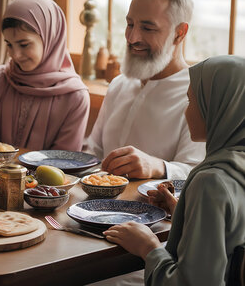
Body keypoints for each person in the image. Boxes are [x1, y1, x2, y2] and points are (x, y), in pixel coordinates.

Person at [103, 55, 245, 285]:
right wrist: (182, 211)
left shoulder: (210, 182)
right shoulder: (236, 168)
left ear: (216, 108)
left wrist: (148, 246)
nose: (186, 112)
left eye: (191, 101)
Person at [84, 0, 205, 179]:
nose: (132, 38)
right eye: (130, 24)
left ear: (179, 33)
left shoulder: (198, 97)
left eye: (148, 28)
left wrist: (158, 167)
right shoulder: (118, 85)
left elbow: (197, 173)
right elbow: (92, 153)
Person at [0, 0, 90, 151]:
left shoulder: (75, 97)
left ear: (50, 38)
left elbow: (64, 164)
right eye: (9, 45)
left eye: (24, 44)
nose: (15, 55)